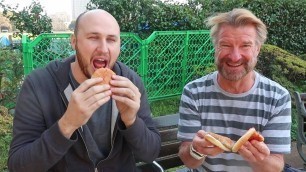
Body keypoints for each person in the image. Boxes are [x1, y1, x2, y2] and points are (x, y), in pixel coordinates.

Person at [8, 9, 161, 172]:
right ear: (74, 42)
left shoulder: (130, 82)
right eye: (93, 38)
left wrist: (131, 120)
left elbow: (150, 154)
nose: (103, 49)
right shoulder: (39, 84)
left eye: (111, 40)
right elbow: (18, 166)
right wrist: (67, 124)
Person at [177, 8, 291, 172]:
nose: (235, 56)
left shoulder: (277, 97)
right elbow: (189, 161)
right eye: (225, 45)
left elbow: (276, 166)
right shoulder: (194, 92)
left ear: (257, 49)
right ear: (215, 47)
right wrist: (196, 150)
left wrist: (260, 159)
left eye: (245, 45)